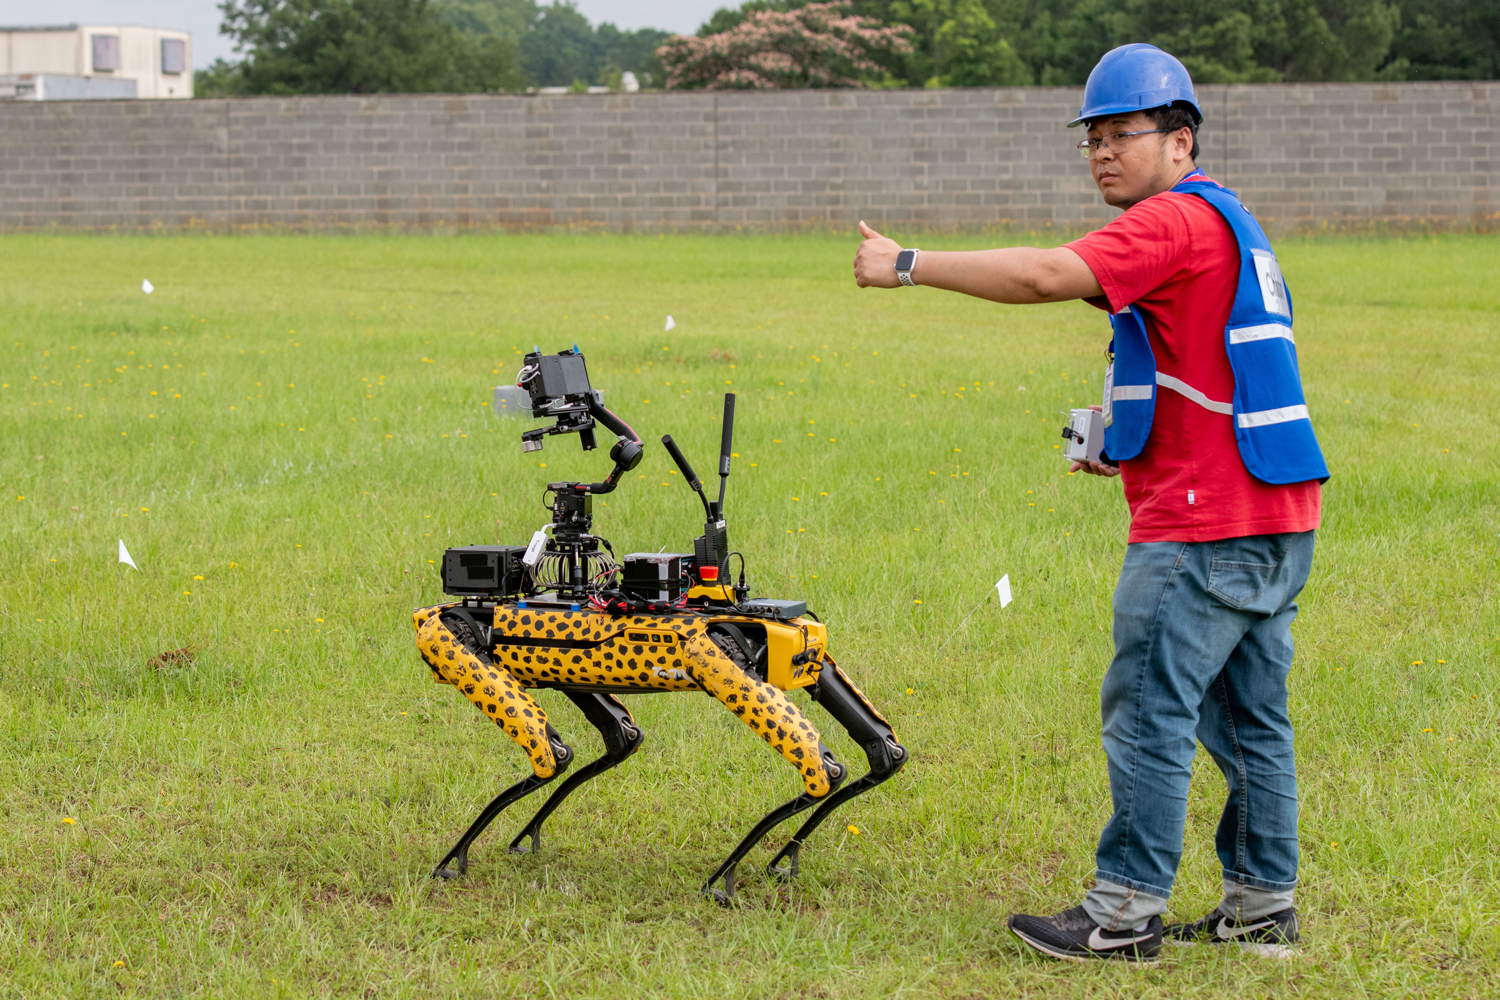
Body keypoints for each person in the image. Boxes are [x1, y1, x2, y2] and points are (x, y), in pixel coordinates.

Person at [852, 43, 1327, 963]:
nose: (1104, 152)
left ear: (1180, 140)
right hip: (1276, 511)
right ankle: (1262, 906)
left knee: (1149, 708)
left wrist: (907, 263)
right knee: (1249, 719)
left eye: (1124, 134)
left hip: (1202, 523)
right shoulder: (1235, 225)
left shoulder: (1170, 224)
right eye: (1092, 139)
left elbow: (1041, 275)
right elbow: (1204, 352)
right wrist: (1127, 436)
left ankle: (1122, 914)